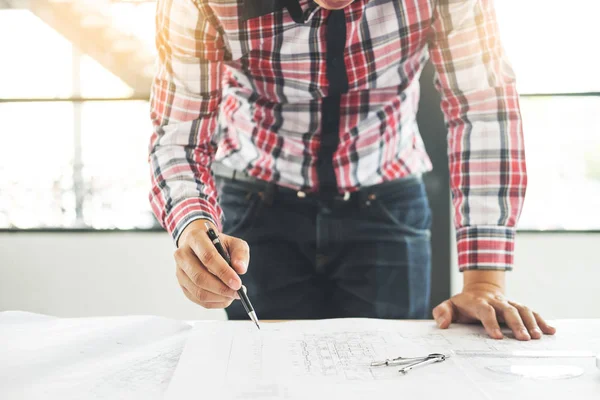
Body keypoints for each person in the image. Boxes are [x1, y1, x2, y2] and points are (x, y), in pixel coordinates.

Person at [148, 0, 556, 340]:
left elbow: (481, 111)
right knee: (267, 378)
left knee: (392, 376)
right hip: (256, 202)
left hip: (388, 200)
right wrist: (193, 227)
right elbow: (179, 134)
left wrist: (484, 283)